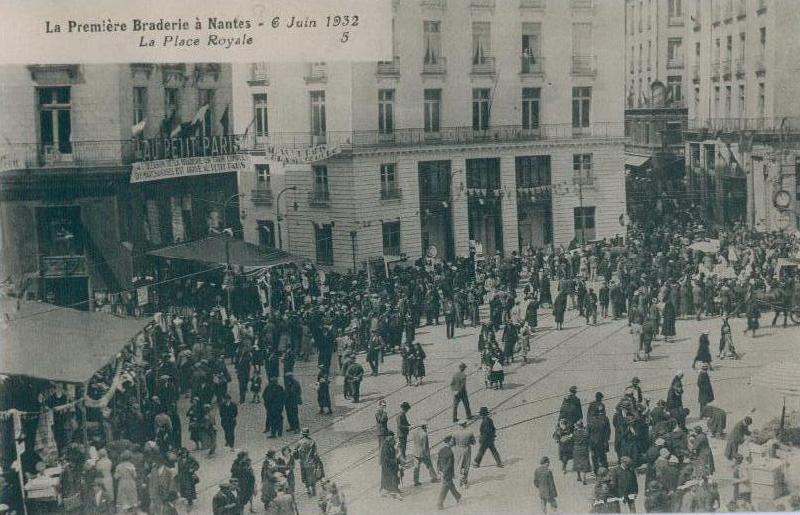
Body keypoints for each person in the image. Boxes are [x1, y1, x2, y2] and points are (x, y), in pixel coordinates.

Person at [436, 435, 461, 510]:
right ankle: (440, 503)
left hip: (442, 471)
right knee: (445, 487)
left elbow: (438, 461)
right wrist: (445, 474)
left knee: (450, 485)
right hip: (447, 473)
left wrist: (439, 471)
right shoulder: (450, 452)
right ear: (448, 442)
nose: (453, 442)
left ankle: (458, 496)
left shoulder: (441, 450)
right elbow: (449, 465)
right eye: (452, 441)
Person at [294, 428, 321, 497]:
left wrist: (298, 456)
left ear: (302, 434)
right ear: (308, 434)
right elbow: (315, 454)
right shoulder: (312, 441)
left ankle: (308, 489)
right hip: (311, 462)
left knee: (305, 476)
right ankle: (313, 489)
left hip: (303, 463)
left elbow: (295, 453)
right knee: (312, 475)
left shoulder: (299, 442)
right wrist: (317, 462)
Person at [453, 420, 476, 488]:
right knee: (466, 466)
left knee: (459, 465)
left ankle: (460, 480)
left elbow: (452, 443)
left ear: (459, 425)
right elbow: (473, 442)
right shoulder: (469, 432)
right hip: (466, 450)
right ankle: (464, 481)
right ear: (465, 424)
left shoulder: (455, 432)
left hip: (458, 450)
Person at [380, 431, 402, 500]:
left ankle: (390, 491)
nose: (393, 438)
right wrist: (395, 458)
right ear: (388, 437)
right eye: (392, 437)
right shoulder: (385, 446)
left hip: (391, 465)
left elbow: (392, 451)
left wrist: (397, 448)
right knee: (393, 478)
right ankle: (396, 493)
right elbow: (387, 458)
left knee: (390, 479)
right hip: (388, 466)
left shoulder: (389, 444)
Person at [572, 420, 591, 485]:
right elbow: (588, 440)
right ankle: (584, 479)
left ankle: (578, 476)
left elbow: (572, 439)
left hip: (576, 449)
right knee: (584, 464)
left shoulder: (575, 433)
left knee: (577, 463)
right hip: (584, 449)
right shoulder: (585, 433)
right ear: (582, 426)